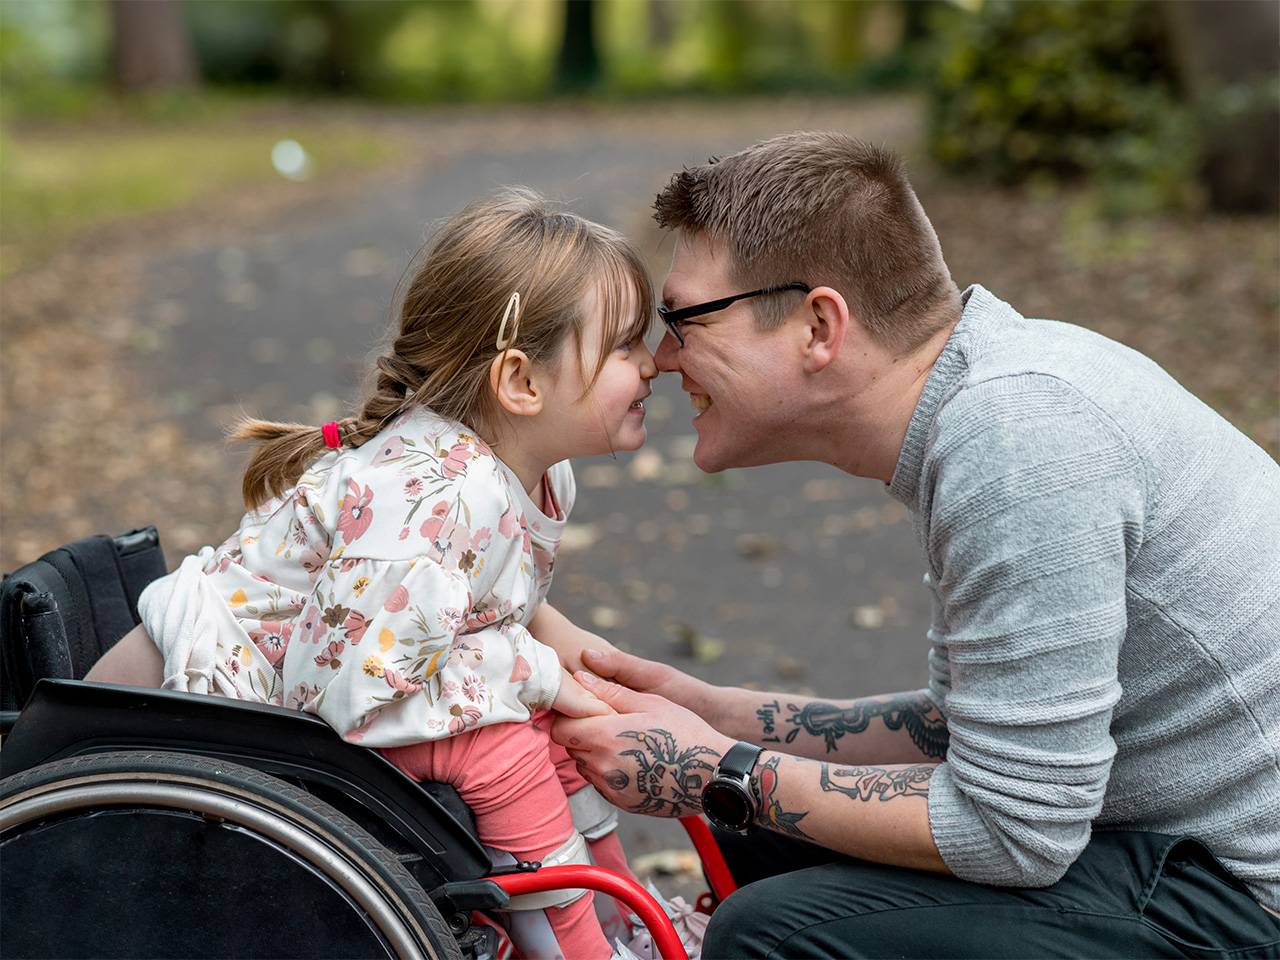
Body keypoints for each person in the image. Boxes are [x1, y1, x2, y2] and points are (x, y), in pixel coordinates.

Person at [553, 131, 1280, 957]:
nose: (662, 357)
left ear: (818, 325)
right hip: (1163, 854)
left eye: (685, 319)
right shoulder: (983, 406)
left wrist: (716, 767)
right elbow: (965, 733)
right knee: (763, 830)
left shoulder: (1017, 444)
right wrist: (718, 716)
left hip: (1244, 899)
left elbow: (1015, 835)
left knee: (764, 932)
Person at [88, 189, 660, 959]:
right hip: (193, 708)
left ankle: (621, 920)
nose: (653, 363)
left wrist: (591, 675)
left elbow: (496, 606)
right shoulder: (438, 501)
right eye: (625, 346)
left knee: (561, 723)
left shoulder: (530, 474)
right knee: (505, 746)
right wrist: (536, 671)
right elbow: (352, 693)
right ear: (521, 383)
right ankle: (572, 945)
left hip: (313, 686)